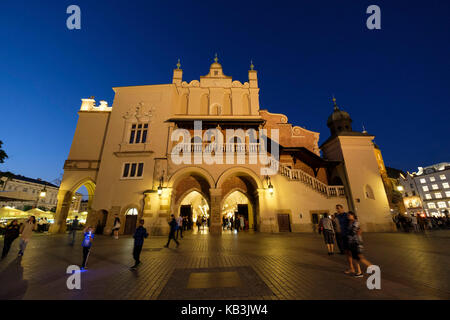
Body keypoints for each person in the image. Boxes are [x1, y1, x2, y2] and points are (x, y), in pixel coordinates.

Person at [347, 212, 374, 278]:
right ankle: (359, 272)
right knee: (355, 258)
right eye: (348, 215)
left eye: (350, 215)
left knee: (360, 257)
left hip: (357, 242)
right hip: (352, 242)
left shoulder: (355, 222)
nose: (348, 216)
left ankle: (371, 266)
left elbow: (353, 231)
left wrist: (349, 233)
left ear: (353, 215)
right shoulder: (350, 223)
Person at [335, 205, 354, 274]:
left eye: (339, 209)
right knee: (347, 253)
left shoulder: (346, 215)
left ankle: (357, 268)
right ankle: (351, 268)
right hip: (343, 235)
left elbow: (352, 220)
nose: (338, 210)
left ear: (342, 208)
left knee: (352, 252)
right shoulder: (338, 216)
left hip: (348, 235)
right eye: (337, 209)